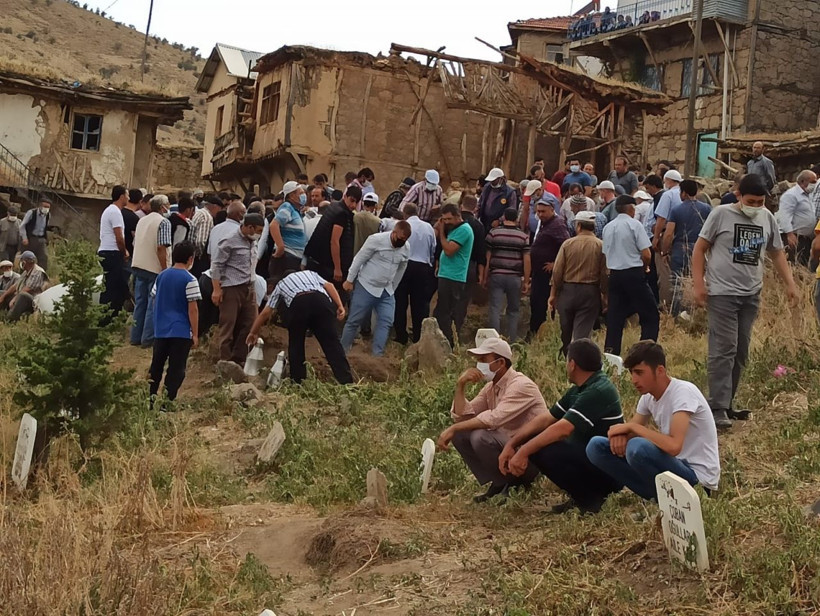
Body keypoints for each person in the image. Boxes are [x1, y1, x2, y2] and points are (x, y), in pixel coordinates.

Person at [692, 174, 798, 428]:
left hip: (751, 293)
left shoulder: (767, 218)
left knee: (740, 350)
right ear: (739, 195)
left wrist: (790, 284)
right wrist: (699, 284)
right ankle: (716, 407)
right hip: (722, 293)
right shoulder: (720, 214)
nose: (756, 206)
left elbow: (777, 252)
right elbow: (699, 248)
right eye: (751, 201)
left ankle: (727, 403)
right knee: (724, 349)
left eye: (760, 202)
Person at [499, 339, 624, 513]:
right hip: (593, 460)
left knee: (541, 448)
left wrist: (523, 451)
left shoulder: (598, 390)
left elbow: (562, 430)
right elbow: (546, 419)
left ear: (572, 364)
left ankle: (590, 500)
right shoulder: (581, 388)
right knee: (535, 439)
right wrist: (512, 444)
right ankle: (581, 496)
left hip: (609, 471)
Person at [586, 341, 720, 501]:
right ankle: (660, 499)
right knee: (596, 447)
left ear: (660, 370)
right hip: (674, 469)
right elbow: (628, 434)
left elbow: (674, 446)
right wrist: (619, 435)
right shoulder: (648, 397)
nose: (634, 380)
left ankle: (672, 500)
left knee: (637, 447)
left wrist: (633, 428)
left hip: (697, 480)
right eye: (631, 373)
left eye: (639, 372)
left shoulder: (683, 392)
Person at [437, 337, 547, 502]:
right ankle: (499, 482)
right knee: (460, 434)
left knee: (479, 436)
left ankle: (515, 483)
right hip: (510, 450)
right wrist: (460, 385)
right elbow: (463, 417)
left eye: (483, 360)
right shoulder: (491, 387)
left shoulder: (520, 385)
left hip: (530, 457)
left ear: (500, 362)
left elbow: (493, 419)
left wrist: (453, 428)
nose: (479, 365)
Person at [247, 270, 353, 384]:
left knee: (296, 345)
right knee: (332, 343)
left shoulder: (281, 284)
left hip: (298, 303)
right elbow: (329, 285)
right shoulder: (310, 273)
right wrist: (340, 306)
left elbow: (266, 313)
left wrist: (253, 332)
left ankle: (298, 382)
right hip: (321, 301)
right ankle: (346, 381)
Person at [341, 223, 412, 356]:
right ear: (394, 233)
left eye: (405, 239)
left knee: (386, 320)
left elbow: (402, 266)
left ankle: (377, 355)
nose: (402, 242)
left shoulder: (406, 247)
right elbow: (359, 259)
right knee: (354, 320)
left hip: (386, 290)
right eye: (400, 238)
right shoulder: (376, 240)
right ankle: (342, 352)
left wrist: (394, 286)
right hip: (366, 286)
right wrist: (349, 280)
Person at [602, 195, 659, 356]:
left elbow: (605, 254)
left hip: (614, 275)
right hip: (633, 273)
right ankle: (645, 353)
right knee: (650, 314)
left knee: (615, 318)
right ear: (632, 209)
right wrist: (645, 267)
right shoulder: (634, 225)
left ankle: (611, 355)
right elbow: (646, 254)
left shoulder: (608, 227)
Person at [148, 241, 200, 405]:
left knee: (156, 365)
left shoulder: (161, 276)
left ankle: (150, 398)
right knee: (176, 369)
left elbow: (154, 299)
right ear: (190, 259)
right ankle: (167, 401)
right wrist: (195, 334)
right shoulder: (190, 279)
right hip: (181, 331)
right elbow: (193, 309)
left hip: (161, 329)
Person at [210, 213, 265, 364]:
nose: (259, 234)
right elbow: (217, 265)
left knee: (251, 323)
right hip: (231, 287)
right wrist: (216, 289)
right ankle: (225, 360)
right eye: (258, 231)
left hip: (249, 286)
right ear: (249, 227)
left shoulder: (252, 241)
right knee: (228, 324)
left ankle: (239, 358)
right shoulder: (229, 240)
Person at [550, 211, 608, 355]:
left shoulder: (568, 244)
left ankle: (566, 357)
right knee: (582, 333)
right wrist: (604, 295)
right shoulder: (601, 245)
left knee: (566, 330)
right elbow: (604, 273)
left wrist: (553, 294)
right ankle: (578, 360)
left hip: (567, 291)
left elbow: (557, 271)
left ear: (579, 226)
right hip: (590, 292)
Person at [662, 180, 712, 317]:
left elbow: (668, 234)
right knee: (698, 281)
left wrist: (665, 251)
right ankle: (695, 313)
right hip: (701, 249)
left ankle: (677, 314)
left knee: (677, 284)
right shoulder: (707, 209)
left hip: (680, 249)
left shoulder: (677, 210)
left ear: (684, 193)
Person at [304, 186, 361, 300]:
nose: (353, 205)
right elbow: (334, 241)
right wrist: (337, 268)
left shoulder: (334, 206)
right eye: (352, 200)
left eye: (356, 202)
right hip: (327, 265)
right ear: (345, 197)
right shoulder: (342, 214)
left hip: (317, 260)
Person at [484, 207, 530, 342]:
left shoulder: (494, 233)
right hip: (514, 277)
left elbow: (487, 257)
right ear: (516, 219)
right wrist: (526, 281)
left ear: (504, 217)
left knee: (495, 309)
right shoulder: (523, 236)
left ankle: (494, 341)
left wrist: (485, 276)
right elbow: (527, 259)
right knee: (513, 310)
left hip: (497, 275)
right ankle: (512, 341)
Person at [393, 203, 436, 345]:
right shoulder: (428, 227)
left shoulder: (402, 226)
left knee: (400, 302)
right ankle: (418, 336)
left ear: (405, 214)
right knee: (420, 304)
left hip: (404, 265)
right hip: (423, 267)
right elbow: (433, 248)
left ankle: (401, 335)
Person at [131, 194, 170, 347]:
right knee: (153, 303)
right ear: (162, 207)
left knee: (140, 302)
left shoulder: (142, 220)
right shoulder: (163, 222)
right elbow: (161, 247)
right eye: (167, 204)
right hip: (154, 267)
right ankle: (147, 338)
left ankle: (135, 336)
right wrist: (165, 269)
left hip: (139, 264)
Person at [434, 203, 475, 347]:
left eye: (449, 219)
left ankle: (448, 344)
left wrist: (442, 232)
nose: (446, 222)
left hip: (454, 277)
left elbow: (449, 250)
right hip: (447, 274)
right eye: (444, 219)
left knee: (446, 313)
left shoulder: (464, 230)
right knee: (441, 311)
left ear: (458, 216)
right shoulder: (454, 229)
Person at [529, 199, 568, 337]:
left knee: (542, 304)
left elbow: (566, 247)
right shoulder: (545, 224)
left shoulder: (558, 224)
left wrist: (555, 263)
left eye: (543, 212)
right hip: (538, 273)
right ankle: (535, 333)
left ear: (552, 210)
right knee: (535, 303)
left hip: (548, 275)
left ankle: (542, 333)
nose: (540, 214)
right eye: (538, 212)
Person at [456, 195, 487, 331]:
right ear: (476, 208)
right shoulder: (478, 226)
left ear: (461, 205)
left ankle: (442, 329)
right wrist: (481, 274)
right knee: (463, 301)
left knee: (447, 299)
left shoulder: (454, 221)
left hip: (451, 263)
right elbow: (481, 252)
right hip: (470, 266)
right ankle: (456, 329)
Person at [98, 185, 130, 319]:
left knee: (111, 285)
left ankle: (109, 316)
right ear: (122, 196)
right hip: (112, 252)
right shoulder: (115, 212)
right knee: (113, 288)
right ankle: (108, 318)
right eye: (127, 195)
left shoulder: (109, 210)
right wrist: (124, 252)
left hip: (106, 251)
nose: (128, 198)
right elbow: (119, 237)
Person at [269, 181, 308, 283]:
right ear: (292, 195)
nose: (304, 195)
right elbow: (274, 225)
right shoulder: (287, 207)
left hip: (294, 258)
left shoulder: (296, 211)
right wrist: (280, 247)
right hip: (286, 256)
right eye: (300, 193)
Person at [778, 169, 817, 267]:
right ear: (803, 181)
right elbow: (785, 215)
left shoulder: (808, 195)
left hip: (806, 239)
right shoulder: (791, 195)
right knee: (793, 264)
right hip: (795, 237)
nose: (815, 184)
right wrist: (789, 234)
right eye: (813, 182)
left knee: (802, 265)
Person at [0, 250, 48, 321]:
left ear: (24, 262)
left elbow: (28, 289)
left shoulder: (37, 272)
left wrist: (14, 299)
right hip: (21, 296)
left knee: (22, 295)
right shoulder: (26, 272)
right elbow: (15, 286)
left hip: (34, 301)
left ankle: (9, 319)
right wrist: (3, 296)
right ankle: (2, 314)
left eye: (21, 260)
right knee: (2, 293)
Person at [158, 196, 194, 268]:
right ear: (188, 210)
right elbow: (177, 245)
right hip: (172, 260)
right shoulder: (182, 225)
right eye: (192, 210)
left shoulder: (170, 218)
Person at [20, 198, 51, 270]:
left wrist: (46, 239)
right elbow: (22, 226)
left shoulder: (48, 215)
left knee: (43, 257)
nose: (46, 209)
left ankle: (41, 274)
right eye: (45, 206)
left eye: (48, 207)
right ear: (40, 206)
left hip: (41, 239)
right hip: (31, 239)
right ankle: (24, 273)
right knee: (27, 258)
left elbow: (45, 227)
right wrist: (24, 238)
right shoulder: (31, 213)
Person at [122, 189, 143, 269]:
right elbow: (136, 238)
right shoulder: (134, 218)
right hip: (128, 253)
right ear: (140, 202)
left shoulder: (119, 212)